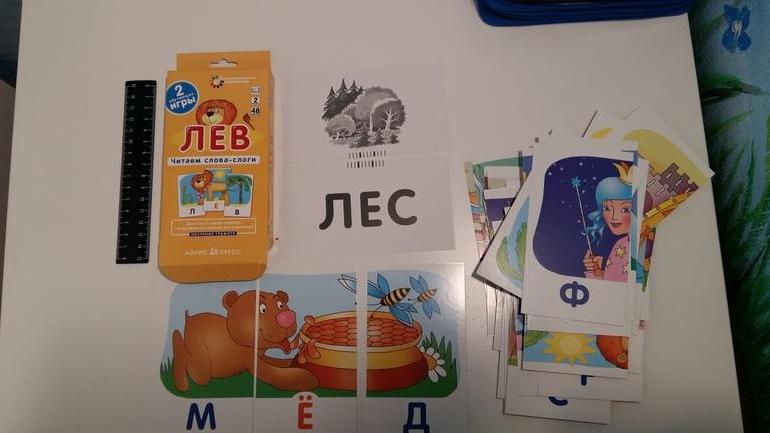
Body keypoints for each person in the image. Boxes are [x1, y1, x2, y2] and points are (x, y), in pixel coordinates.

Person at [583, 162, 633, 283]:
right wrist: (597, 272)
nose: (614, 217)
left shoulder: (642, 248)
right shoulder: (620, 244)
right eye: (607, 208)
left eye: (625, 209)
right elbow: (611, 285)